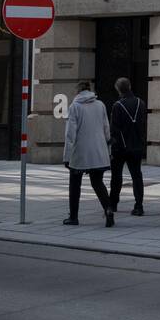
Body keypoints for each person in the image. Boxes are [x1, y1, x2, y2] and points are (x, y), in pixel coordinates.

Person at [62, 80, 114, 227]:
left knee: (75, 184)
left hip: (81, 152)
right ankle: (108, 209)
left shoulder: (74, 107)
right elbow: (106, 128)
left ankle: (73, 217)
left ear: (78, 91)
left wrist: (66, 157)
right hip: (99, 150)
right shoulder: (100, 105)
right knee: (97, 183)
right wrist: (108, 151)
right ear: (90, 90)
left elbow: (70, 134)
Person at [108, 76, 147, 216]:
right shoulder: (140, 103)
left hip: (120, 147)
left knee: (116, 177)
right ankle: (139, 205)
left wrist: (112, 145)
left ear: (118, 90)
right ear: (129, 86)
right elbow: (143, 125)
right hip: (136, 145)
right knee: (137, 176)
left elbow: (113, 129)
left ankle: (113, 204)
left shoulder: (117, 106)